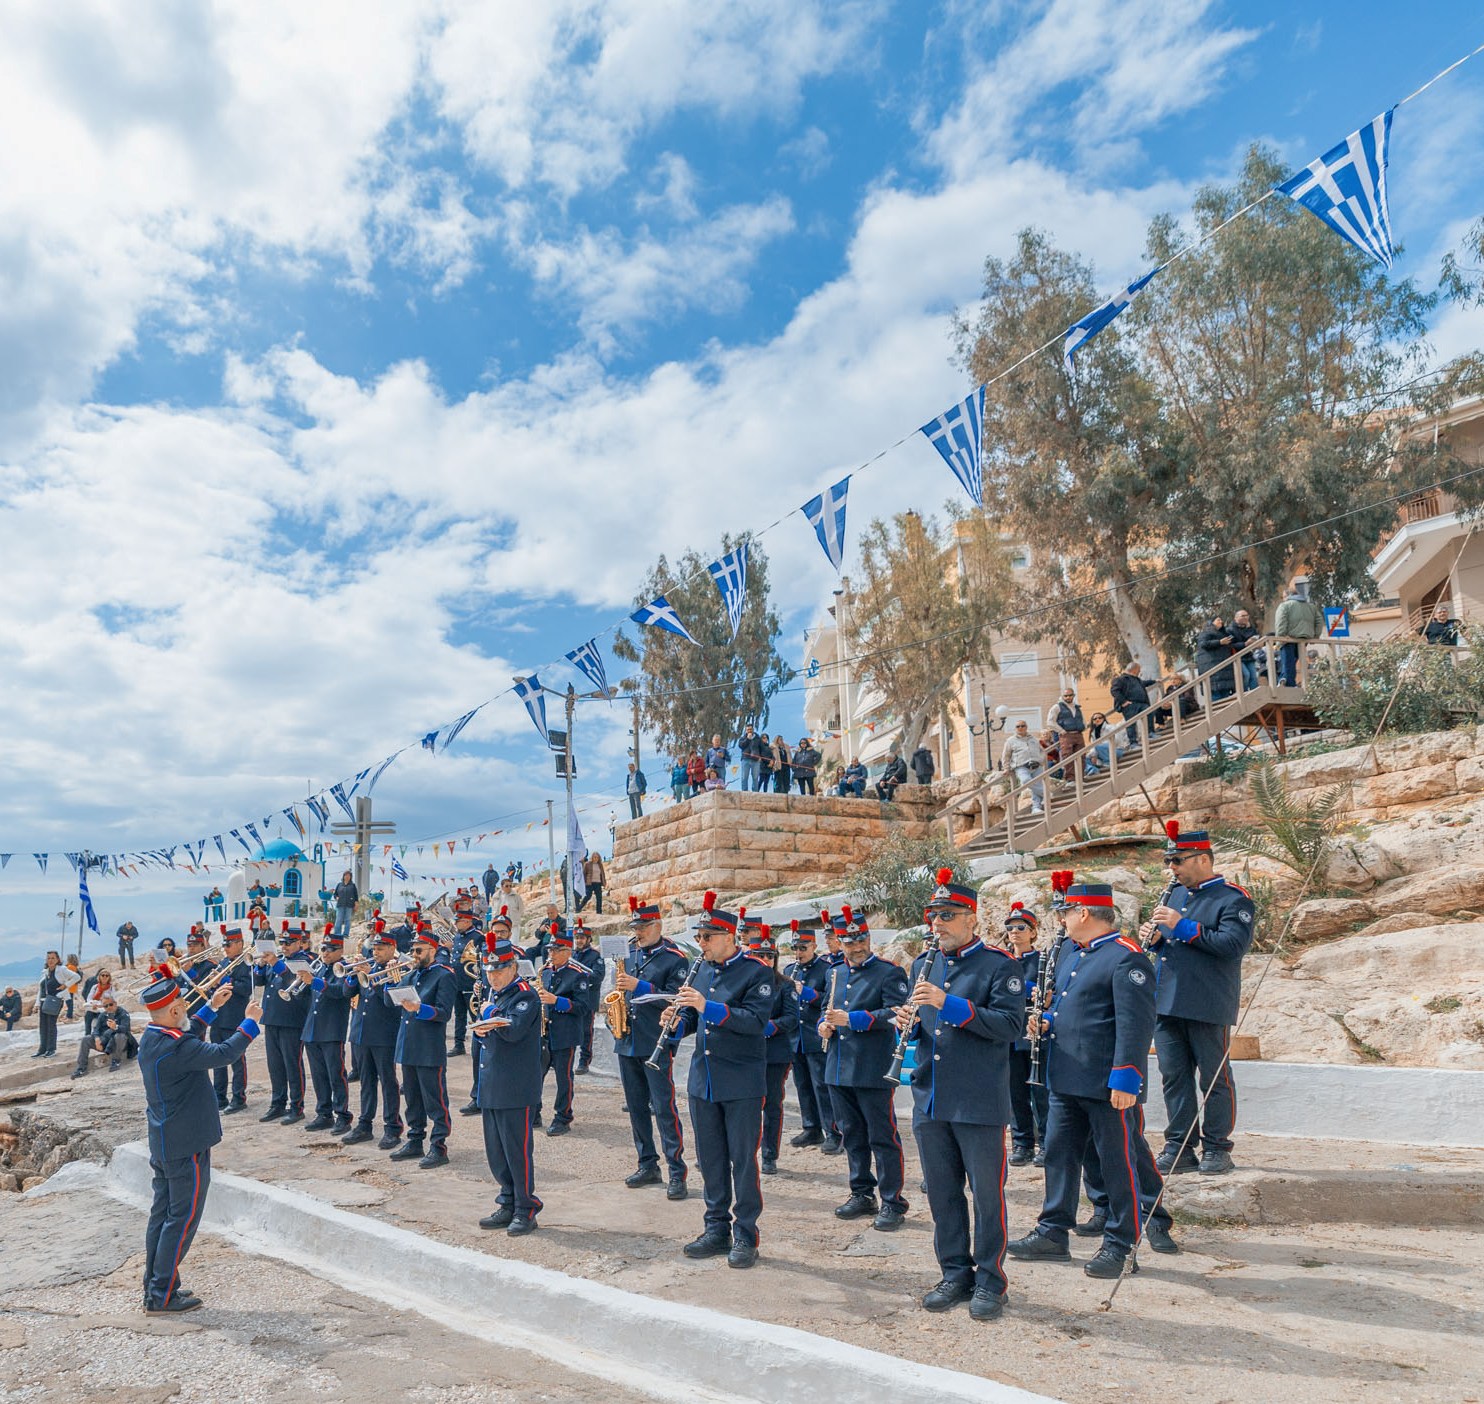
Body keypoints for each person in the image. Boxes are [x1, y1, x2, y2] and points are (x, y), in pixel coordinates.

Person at [1008, 880, 1174, 1278]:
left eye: (1065, 912)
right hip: (1067, 1077)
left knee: (1119, 1163)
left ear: (1083, 913)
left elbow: (1136, 1025)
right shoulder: (1074, 955)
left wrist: (1126, 1077)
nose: (1061, 920)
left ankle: (1121, 1243)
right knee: (1060, 1156)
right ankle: (1052, 1231)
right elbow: (1076, 1011)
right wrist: (1045, 1022)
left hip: (1106, 1082)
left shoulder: (1126, 958)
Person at [899, 871, 1025, 1320]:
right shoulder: (922, 963)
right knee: (942, 1193)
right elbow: (925, 1026)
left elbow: (1010, 1027)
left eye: (948, 916)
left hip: (978, 1100)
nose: (938, 925)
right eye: (934, 916)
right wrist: (909, 1023)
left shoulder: (1000, 965)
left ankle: (991, 1281)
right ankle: (954, 1273)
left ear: (973, 918)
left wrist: (946, 1004)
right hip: (931, 1098)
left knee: (987, 1196)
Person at [136, 976, 263, 1313]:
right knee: (182, 1219)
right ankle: (161, 1294)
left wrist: (212, 1007)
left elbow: (185, 1032)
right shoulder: (178, 1048)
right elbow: (224, 1053)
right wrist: (250, 1021)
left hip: (165, 1142)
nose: (187, 1013)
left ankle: (156, 1284)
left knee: (162, 1216)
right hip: (186, 1144)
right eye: (185, 1008)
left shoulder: (152, 1038)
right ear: (175, 1008)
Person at [1140, 821, 1256, 1177]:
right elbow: (1171, 943)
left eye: (1178, 860)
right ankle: (1180, 1145)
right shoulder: (1175, 895)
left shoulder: (1234, 898)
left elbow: (1232, 946)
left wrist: (1182, 926)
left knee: (1214, 1078)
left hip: (1207, 1001)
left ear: (1203, 859)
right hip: (1168, 1000)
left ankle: (1218, 1147)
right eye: (1169, 862)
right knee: (1174, 1077)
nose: (1171, 868)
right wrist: (1156, 938)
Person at [667, 893, 773, 1269]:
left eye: (708, 937)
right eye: (699, 937)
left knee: (742, 1161)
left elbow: (754, 1023)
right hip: (704, 1082)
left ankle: (746, 1233)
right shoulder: (704, 969)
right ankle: (716, 1228)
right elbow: (698, 1021)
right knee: (710, 1160)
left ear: (729, 936)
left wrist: (704, 1006)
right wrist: (678, 1022)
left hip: (741, 1082)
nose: (702, 944)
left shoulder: (757, 971)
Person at [820, 908, 911, 1232]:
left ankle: (892, 1201)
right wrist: (823, 1026)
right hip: (839, 1067)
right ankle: (862, 1193)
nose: (856, 947)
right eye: (849, 942)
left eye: (861, 940)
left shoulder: (889, 972)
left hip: (872, 1067)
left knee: (882, 1137)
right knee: (852, 1135)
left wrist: (854, 1020)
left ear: (868, 938)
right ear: (839, 942)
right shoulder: (835, 972)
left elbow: (896, 1012)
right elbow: (825, 1009)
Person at [612, 896, 691, 1199]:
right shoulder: (629, 953)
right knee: (636, 1107)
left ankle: (676, 1171)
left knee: (664, 1107)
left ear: (657, 924)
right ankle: (647, 1163)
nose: (638, 932)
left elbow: (677, 997)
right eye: (635, 926)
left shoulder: (675, 957)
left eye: (643, 926)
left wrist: (639, 987)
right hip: (628, 1039)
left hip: (656, 1040)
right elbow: (619, 990)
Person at [475, 937, 544, 1235]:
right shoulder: (495, 995)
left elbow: (513, 1031)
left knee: (517, 1151)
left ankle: (526, 1208)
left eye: (499, 970)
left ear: (513, 967)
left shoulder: (525, 995)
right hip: (492, 1082)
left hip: (516, 1085)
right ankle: (507, 1200)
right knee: (497, 1152)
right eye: (490, 970)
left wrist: (489, 1014)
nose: (493, 975)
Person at [387, 926, 457, 1168]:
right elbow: (390, 1002)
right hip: (408, 1046)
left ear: (432, 950)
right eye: (412, 950)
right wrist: (391, 980)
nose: (413, 954)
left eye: (418, 950)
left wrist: (419, 1009)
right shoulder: (411, 975)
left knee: (435, 1100)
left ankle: (439, 1146)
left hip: (429, 1049)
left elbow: (444, 1013)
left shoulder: (444, 975)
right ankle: (415, 1140)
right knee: (413, 1101)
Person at [342, 919, 404, 1148]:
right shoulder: (366, 968)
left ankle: (392, 1128)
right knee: (366, 1082)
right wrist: (352, 974)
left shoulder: (395, 970)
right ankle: (364, 1124)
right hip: (362, 1033)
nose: (375, 952)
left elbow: (391, 1002)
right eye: (373, 948)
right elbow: (346, 993)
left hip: (384, 1035)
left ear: (391, 949)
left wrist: (373, 979)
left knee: (388, 1082)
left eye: (379, 949)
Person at [744, 922, 798, 1176]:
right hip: (746, 1053)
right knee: (744, 1106)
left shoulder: (785, 984)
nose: (765, 959)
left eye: (770, 956)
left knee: (772, 1105)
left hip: (774, 1054)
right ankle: (744, 1152)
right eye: (760, 955)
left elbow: (791, 1018)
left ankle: (769, 1155)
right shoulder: (742, 982)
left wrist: (769, 1027)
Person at [537, 929, 595, 1136]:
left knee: (564, 1078)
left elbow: (582, 1007)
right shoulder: (545, 972)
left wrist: (557, 1001)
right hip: (545, 1033)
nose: (551, 954)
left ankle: (563, 1117)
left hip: (565, 1034)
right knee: (536, 1075)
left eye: (556, 950)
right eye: (550, 949)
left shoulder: (577, 975)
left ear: (568, 951)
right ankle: (535, 1112)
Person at [784, 923, 835, 1151]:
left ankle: (833, 1131)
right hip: (796, 1037)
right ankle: (811, 1127)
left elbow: (829, 999)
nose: (799, 953)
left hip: (816, 1035)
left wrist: (805, 992)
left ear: (814, 945)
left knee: (822, 1086)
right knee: (803, 1084)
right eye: (795, 948)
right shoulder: (788, 970)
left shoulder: (826, 969)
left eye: (803, 948)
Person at [253, 925, 311, 1123]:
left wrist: (275, 963)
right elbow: (260, 982)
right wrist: (261, 965)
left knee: (292, 1065)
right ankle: (277, 1103)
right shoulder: (278, 960)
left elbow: (293, 981)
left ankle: (297, 1106)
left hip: (292, 1020)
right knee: (275, 1065)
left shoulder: (304, 961)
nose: (284, 946)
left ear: (299, 943)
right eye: (282, 943)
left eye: (288, 943)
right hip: (272, 1018)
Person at [299, 933, 353, 1134]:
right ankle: (324, 1113)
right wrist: (303, 981)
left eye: (330, 950)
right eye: (323, 949)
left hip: (332, 1030)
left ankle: (343, 1115)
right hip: (312, 1029)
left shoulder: (345, 969)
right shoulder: (319, 967)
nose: (325, 953)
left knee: (336, 1075)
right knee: (319, 1075)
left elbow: (340, 992)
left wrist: (313, 981)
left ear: (340, 951)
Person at [209, 930, 253, 1113]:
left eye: (228, 945)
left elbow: (245, 989)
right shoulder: (225, 962)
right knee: (217, 1060)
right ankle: (219, 1096)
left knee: (237, 1060)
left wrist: (225, 979)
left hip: (234, 1017)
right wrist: (214, 982)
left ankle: (238, 1097)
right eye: (224, 945)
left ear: (239, 943)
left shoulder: (245, 962)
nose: (225, 948)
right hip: (218, 1018)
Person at [71, 994, 136, 1077]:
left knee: (119, 1035)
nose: (108, 1007)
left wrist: (116, 1027)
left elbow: (126, 1028)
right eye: (105, 1006)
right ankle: (81, 1068)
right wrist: (97, 1039)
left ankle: (116, 1060)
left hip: (120, 1044)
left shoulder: (123, 1013)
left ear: (115, 1003)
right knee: (86, 1039)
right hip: (105, 1042)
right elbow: (96, 1030)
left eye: (111, 1004)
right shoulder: (103, 1015)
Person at [572, 920, 604, 1073]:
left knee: (586, 1032)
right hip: (573, 999)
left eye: (582, 938)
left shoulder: (595, 956)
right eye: (577, 938)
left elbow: (598, 976)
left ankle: (584, 1061)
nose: (579, 941)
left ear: (589, 939)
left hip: (588, 999)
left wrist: (579, 976)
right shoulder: (572, 955)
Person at [449, 910, 482, 1057]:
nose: (456, 924)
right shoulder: (457, 936)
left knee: (475, 1014)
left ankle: (481, 1043)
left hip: (471, 982)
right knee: (459, 1015)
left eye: (458, 921)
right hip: (458, 981)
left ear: (468, 921)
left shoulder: (478, 937)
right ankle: (459, 1044)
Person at [1274, 587, 1322, 686]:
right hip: (1304, 639)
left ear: (1288, 595)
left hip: (1288, 638)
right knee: (1293, 661)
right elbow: (1319, 621)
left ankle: (1288, 683)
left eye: (1283, 597)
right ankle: (1284, 679)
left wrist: (1280, 639)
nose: (1283, 599)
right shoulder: (1311, 606)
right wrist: (1316, 636)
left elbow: (1280, 622)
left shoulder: (1285, 605)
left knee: (1288, 662)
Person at [999, 720, 1045, 816]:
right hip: (1021, 766)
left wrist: (1041, 760)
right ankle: (1046, 794)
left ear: (1026, 727)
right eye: (1018, 726)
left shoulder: (1033, 739)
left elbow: (1042, 751)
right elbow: (1006, 755)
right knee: (1026, 781)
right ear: (1015, 728)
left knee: (1036, 784)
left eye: (1022, 726)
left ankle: (1036, 807)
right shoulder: (1010, 741)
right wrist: (1006, 768)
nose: (1020, 728)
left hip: (1036, 765)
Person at [1109, 661, 1152, 748]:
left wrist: (1154, 681)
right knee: (1131, 723)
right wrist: (1123, 701)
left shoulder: (1137, 679)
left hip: (1141, 703)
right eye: (1139, 670)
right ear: (1135, 670)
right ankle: (1133, 742)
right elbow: (1114, 691)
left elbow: (1144, 683)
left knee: (1149, 712)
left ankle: (1150, 733)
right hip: (1130, 704)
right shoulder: (1121, 679)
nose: (1139, 672)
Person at [1195, 617, 1237, 700]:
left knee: (1225, 696)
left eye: (1221, 620)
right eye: (1218, 620)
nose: (1221, 621)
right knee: (1216, 696)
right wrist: (1220, 642)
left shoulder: (1224, 633)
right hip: (1212, 668)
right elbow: (1203, 644)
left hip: (1224, 668)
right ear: (1211, 622)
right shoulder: (1205, 633)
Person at [34, 951, 64, 1058]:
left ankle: (51, 1049)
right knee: (43, 1026)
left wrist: (62, 991)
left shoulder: (61, 971)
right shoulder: (45, 972)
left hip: (54, 1002)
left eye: (53, 958)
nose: (50, 960)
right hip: (43, 1002)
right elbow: (40, 989)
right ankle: (42, 1049)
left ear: (57, 960)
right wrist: (37, 1004)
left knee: (51, 1025)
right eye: (48, 958)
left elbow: (75, 978)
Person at [1229, 609, 1260, 690]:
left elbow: (1255, 637)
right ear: (1235, 618)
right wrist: (1245, 644)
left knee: (1253, 676)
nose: (1245, 617)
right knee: (1245, 675)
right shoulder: (1230, 629)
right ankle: (1244, 694)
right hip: (1238, 657)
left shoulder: (1251, 628)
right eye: (1243, 616)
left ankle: (1255, 695)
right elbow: (1230, 645)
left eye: (1247, 615)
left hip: (1249, 656)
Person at [82, 968, 116, 1039]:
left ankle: (100, 1035)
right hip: (94, 1007)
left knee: (102, 1017)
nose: (104, 977)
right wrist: (92, 1003)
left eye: (107, 976)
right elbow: (89, 998)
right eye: (103, 975)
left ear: (109, 977)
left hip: (104, 1008)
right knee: (88, 1015)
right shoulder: (95, 987)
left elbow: (112, 1000)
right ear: (99, 977)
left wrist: (102, 1005)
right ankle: (87, 1035)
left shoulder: (111, 988)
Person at [738, 724, 766, 792]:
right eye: (748, 730)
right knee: (744, 777)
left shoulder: (758, 738)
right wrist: (748, 739)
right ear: (746, 730)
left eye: (750, 729)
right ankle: (744, 791)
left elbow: (762, 749)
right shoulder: (743, 738)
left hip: (755, 760)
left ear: (753, 729)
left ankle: (755, 792)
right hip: (745, 759)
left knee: (755, 777)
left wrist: (761, 757)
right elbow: (741, 746)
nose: (749, 731)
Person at [332, 871, 358, 939]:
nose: (347, 877)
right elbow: (335, 894)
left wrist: (356, 904)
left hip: (349, 905)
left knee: (347, 920)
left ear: (350, 877)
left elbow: (356, 896)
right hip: (340, 904)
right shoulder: (339, 885)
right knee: (338, 919)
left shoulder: (352, 885)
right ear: (343, 876)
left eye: (349, 875)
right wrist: (336, 897)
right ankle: (337, 934)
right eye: (346, 875)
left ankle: (346, 934)